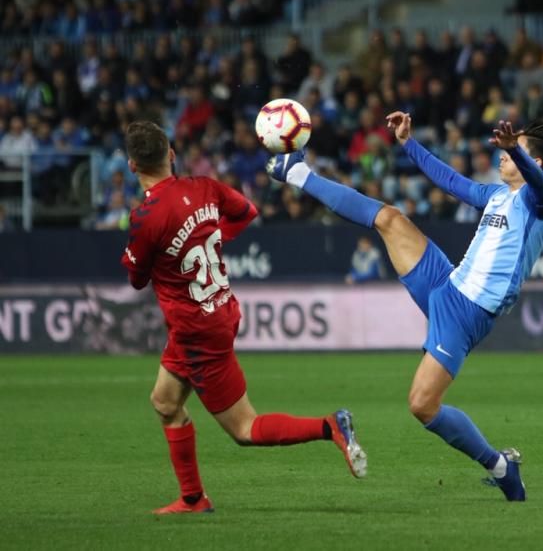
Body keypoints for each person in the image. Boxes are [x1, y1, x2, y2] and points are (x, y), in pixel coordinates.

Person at [268, 116, 543, 502]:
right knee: (390, 219)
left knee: (422, 405)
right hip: (447, 283)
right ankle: (299, 172)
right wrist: (409, 144)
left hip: (468, 313)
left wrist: (512, 149)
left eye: (516, 151)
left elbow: (539, 185)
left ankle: (501, 466)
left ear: (535, 162)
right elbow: (451, 182)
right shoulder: (497, 195)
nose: (504, 156)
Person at [120, 122, 366, 515]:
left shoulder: (145, 217)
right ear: (170, 154)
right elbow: (246, 211)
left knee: (244, 429)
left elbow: (136, 279)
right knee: (165, 401)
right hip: (218, 309)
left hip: (196, 329)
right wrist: (207, 238)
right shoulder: (204, 187)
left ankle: (329, 425)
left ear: (132, 165)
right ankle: (193, 499)